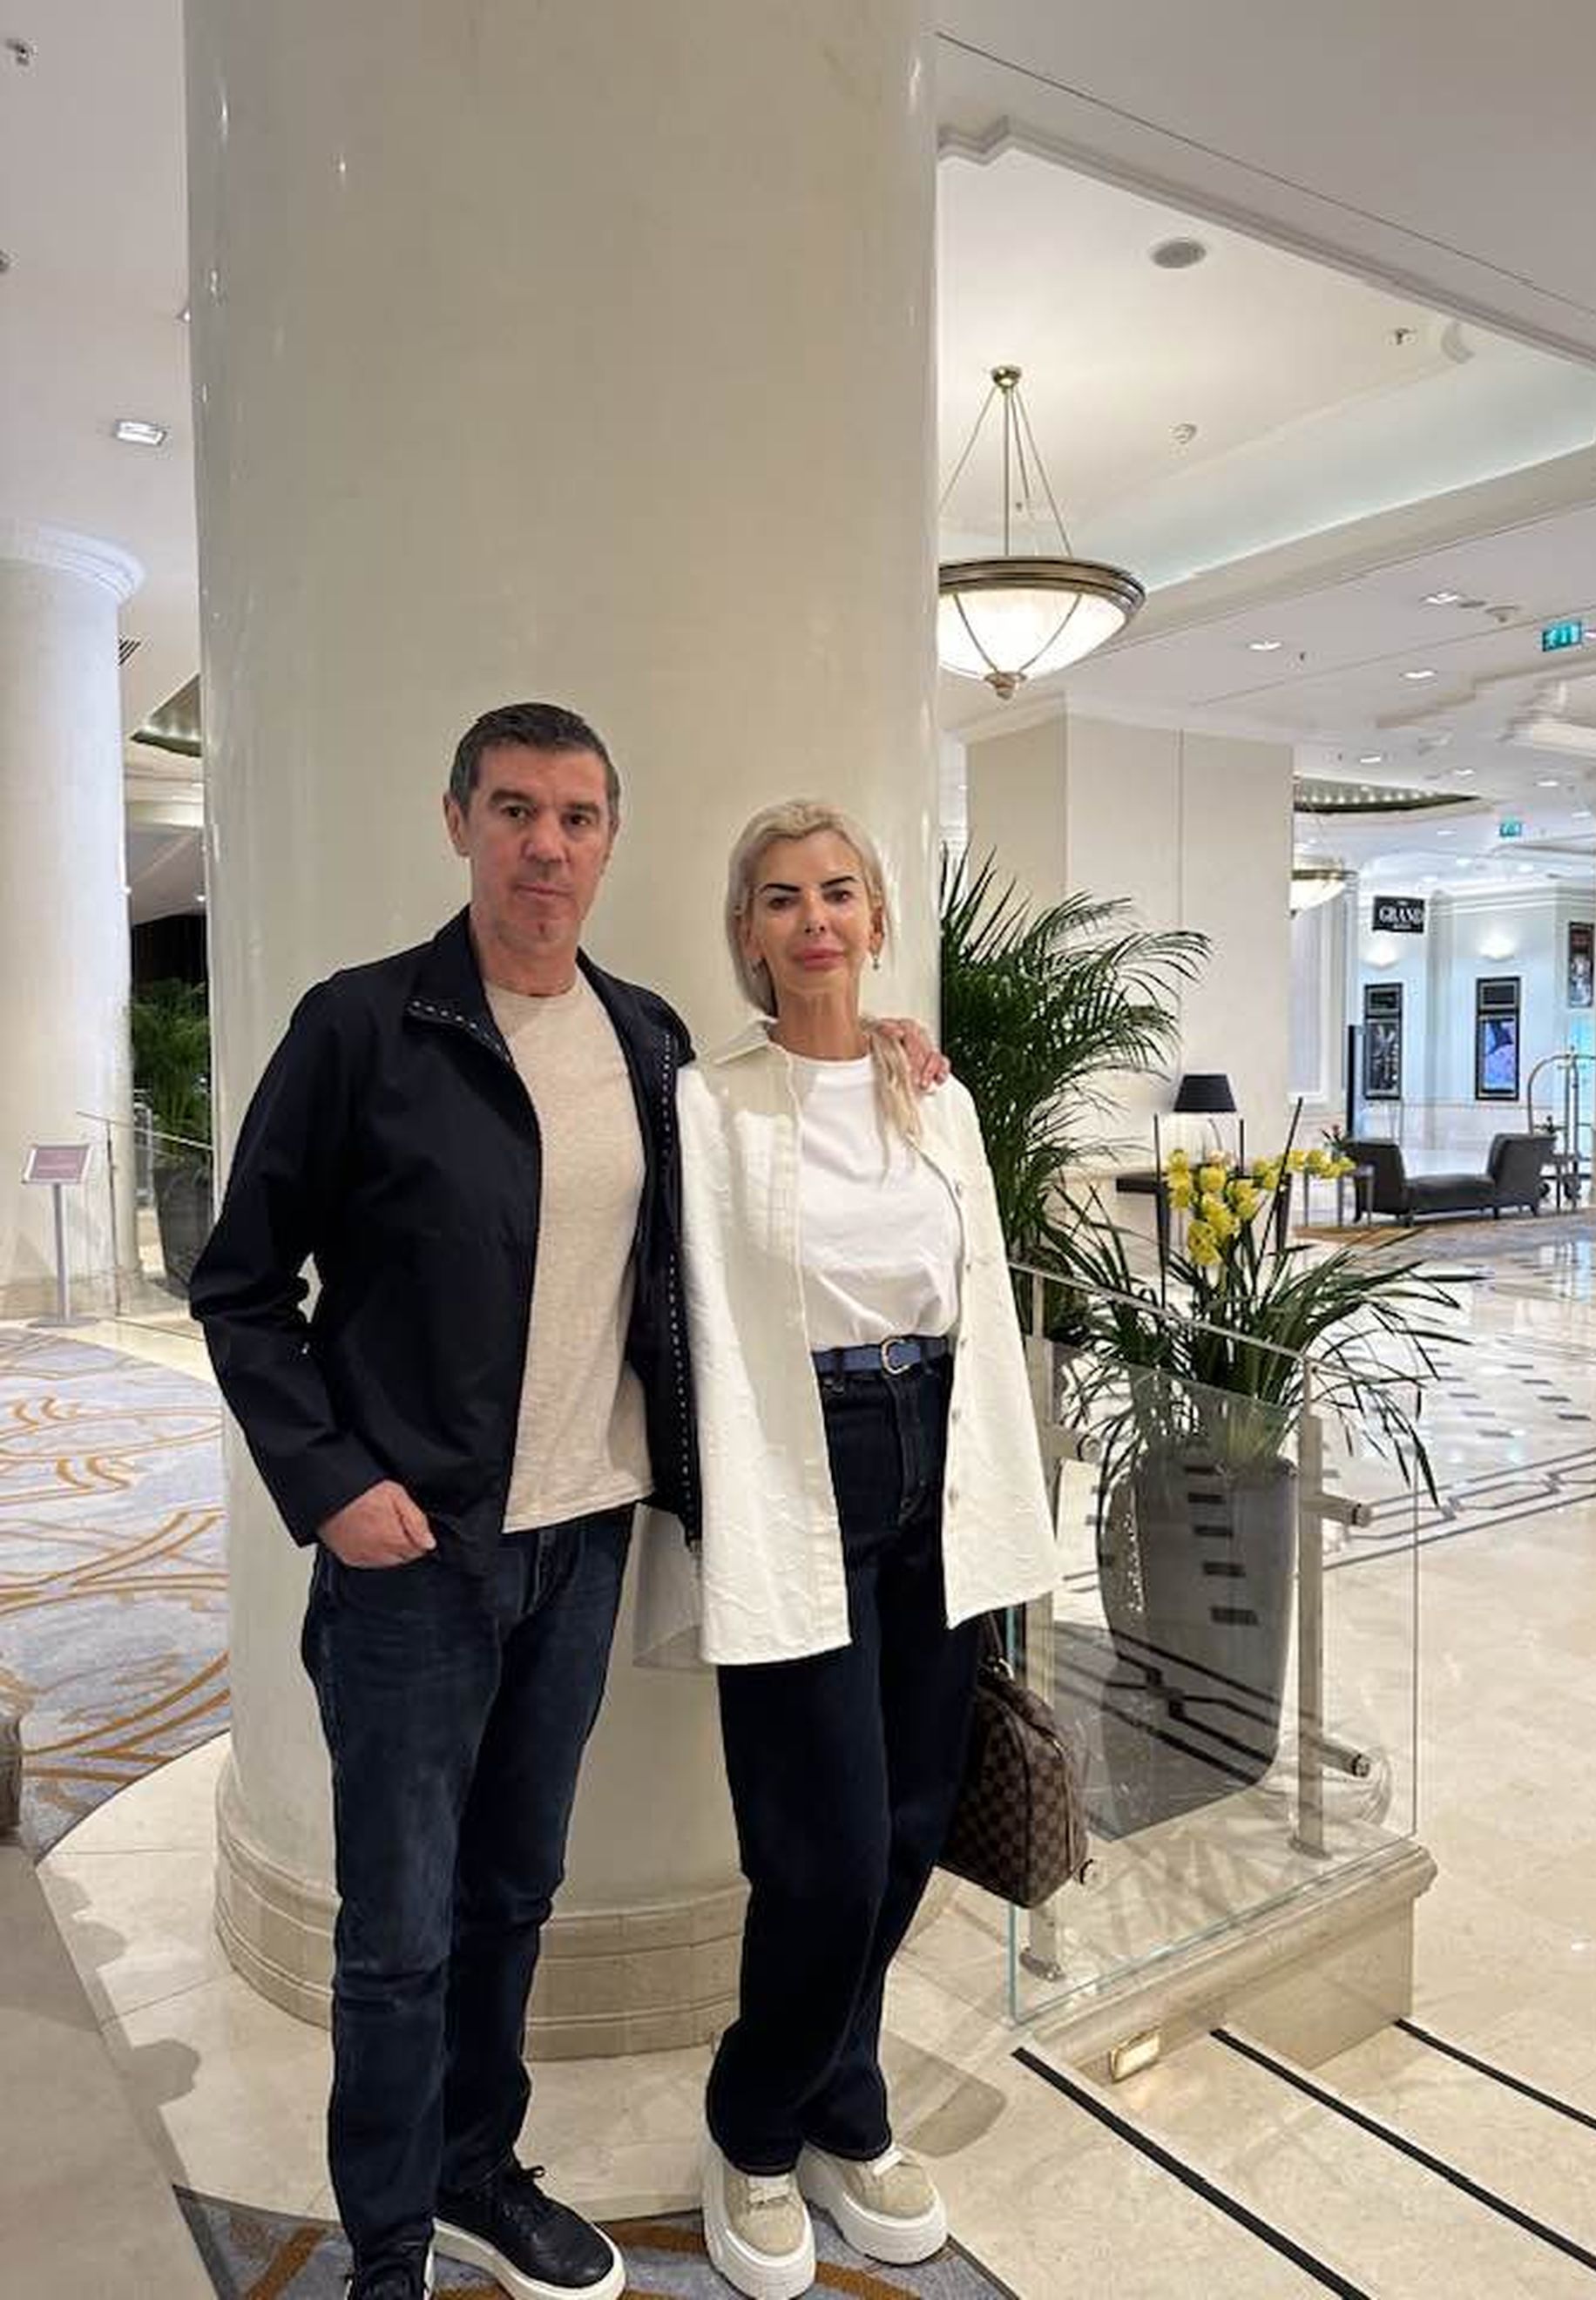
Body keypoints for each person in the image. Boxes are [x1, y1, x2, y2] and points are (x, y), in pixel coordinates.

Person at [190, 706, 941, 2300]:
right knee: (398, 1931)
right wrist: (332, 1484)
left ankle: (475, 2166)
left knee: (515, 1892)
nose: (547, 845)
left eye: (579, 817)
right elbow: (240, 1285)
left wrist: (882, 1042)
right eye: (516, 810)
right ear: (457, 820)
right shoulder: (363, 1027)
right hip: (415, 1558)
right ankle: (389, 2241)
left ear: (610, 843)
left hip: (584, 1543)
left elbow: (775, 1124)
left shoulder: (649, 1042)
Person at [675, 800, 1060, 2300]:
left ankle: (845, 2104)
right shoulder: (711, 1104)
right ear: (748, 934)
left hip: (936, 1459)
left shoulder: (935, 1099)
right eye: (781, 899)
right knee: (819, 1851)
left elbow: (977, 1295)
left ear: (879, 919)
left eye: (839, 892)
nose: (815, 920)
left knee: (906, 1825)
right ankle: (752, 2127)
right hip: (799, 1468)